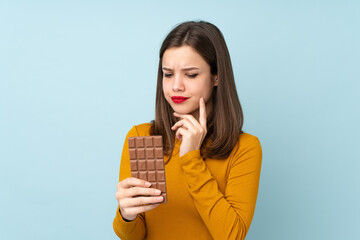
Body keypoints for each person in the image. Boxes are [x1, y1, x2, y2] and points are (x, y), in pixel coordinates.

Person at [113, 20, 262, 240]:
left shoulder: (244, 148)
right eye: (168, 74)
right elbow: (134, 236)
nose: (176, 86)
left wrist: (191, 159)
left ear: (216, 76)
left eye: (191, 75)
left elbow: (232, 236)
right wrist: (127, 215)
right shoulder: (143, 137)